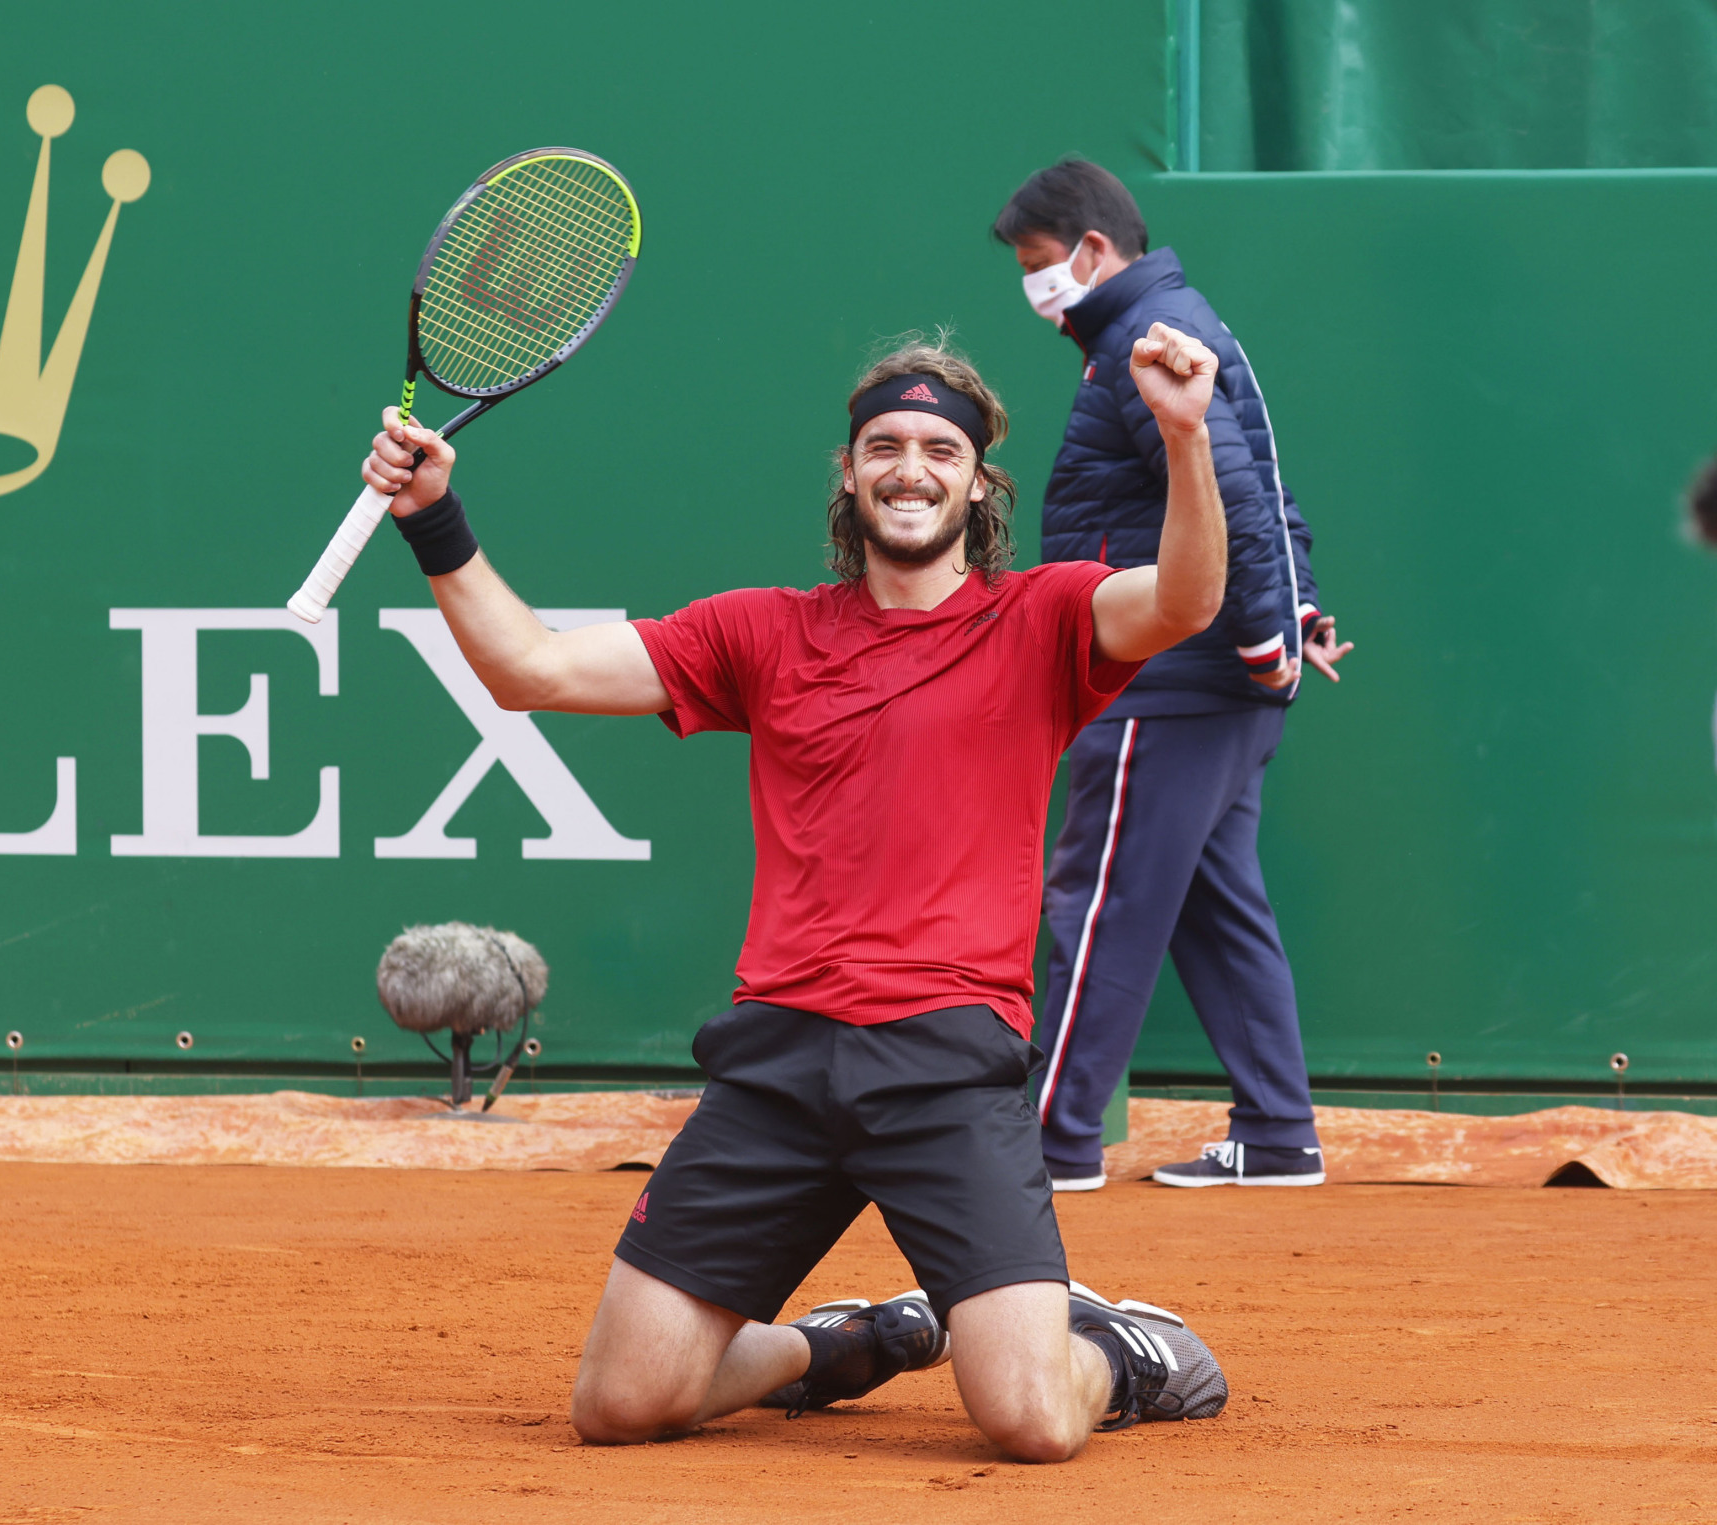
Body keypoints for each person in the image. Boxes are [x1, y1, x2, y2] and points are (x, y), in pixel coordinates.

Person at [358, 327, 1232, 1460]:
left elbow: (1185, 599)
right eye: (882, 445)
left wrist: (1183, 434)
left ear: (976, 482)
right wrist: (433, 516)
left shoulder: (1045, 619)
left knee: (1026, 1420)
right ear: (847, 471)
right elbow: (530, 669)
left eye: (935, 448)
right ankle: (848, 1345)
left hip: (944, 1062)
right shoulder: (759, 633)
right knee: (620, 1404)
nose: (907, 467)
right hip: (777, 1063)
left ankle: (1120, 1349)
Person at [993, 158, 1354, 1191]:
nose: (1032, 287)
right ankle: (1276, 1131)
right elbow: (1254, 489)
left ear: (1091, 249)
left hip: (1165, 682)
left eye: (1036, 264)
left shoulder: (1146, 338)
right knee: (1211, 901)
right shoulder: (1158, 323)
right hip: (1209, 679)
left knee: (1097, 901)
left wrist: (1264, 640)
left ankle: (1049, 1142)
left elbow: (1237, 501)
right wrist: (1287, 615)